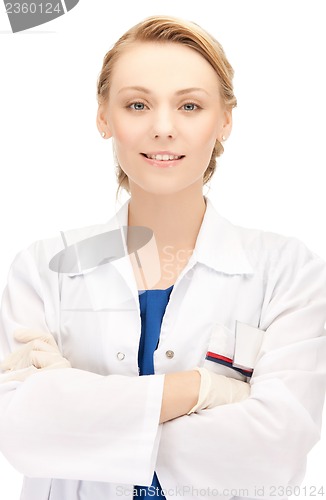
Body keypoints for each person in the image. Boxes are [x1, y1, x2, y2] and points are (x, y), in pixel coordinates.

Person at [0, 14, 326, 500]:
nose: (163, 128)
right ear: (103, 117)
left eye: (190, 106)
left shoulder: (288, 271)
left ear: (225, 121)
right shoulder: (44, 269)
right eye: (137, 104)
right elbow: (20, 436)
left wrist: (77, 409)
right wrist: (205, 390)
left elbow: (273, 452)